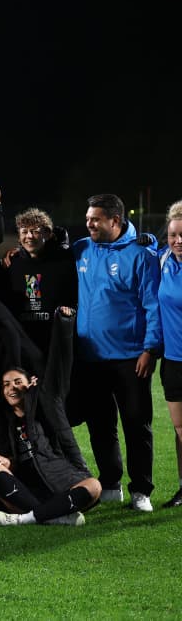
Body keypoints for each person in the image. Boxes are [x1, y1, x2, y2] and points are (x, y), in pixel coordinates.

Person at [69, 193, 162, 511]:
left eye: (95, 219)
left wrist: (150, 349)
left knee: (137, 424)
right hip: (91, 357)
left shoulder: (141, 255)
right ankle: (111, 483)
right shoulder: (82, 248)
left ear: (115, 221)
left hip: (130, 357)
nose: (89, 223)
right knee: (100, 425)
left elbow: (152, 305)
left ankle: (141, 490)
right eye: (87, 218)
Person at [0, 308, 101, 526]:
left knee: (94, 486)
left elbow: (59, 366)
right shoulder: (3, 420)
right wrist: (7, 460)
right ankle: (55, 516)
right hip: (28, 489)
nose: (12, 388)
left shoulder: (48, 404)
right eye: (6, 384)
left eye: (17, 382)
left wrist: (63, 324)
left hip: (63, 480)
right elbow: (11, 460)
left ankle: (23, 519)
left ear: (31, 383)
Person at [5, 207, 78, 356]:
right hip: (25, 344)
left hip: (57, 343)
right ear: (19, 237)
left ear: (48, 234)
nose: (29, 236)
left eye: (35, 231)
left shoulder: (66, 261)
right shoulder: (12, 263)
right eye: (24, 231)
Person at [157, 201, 182, 507]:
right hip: (173, 360)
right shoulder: (163, 260)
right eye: (173, 235)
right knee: (179, 430)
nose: (178, 241)